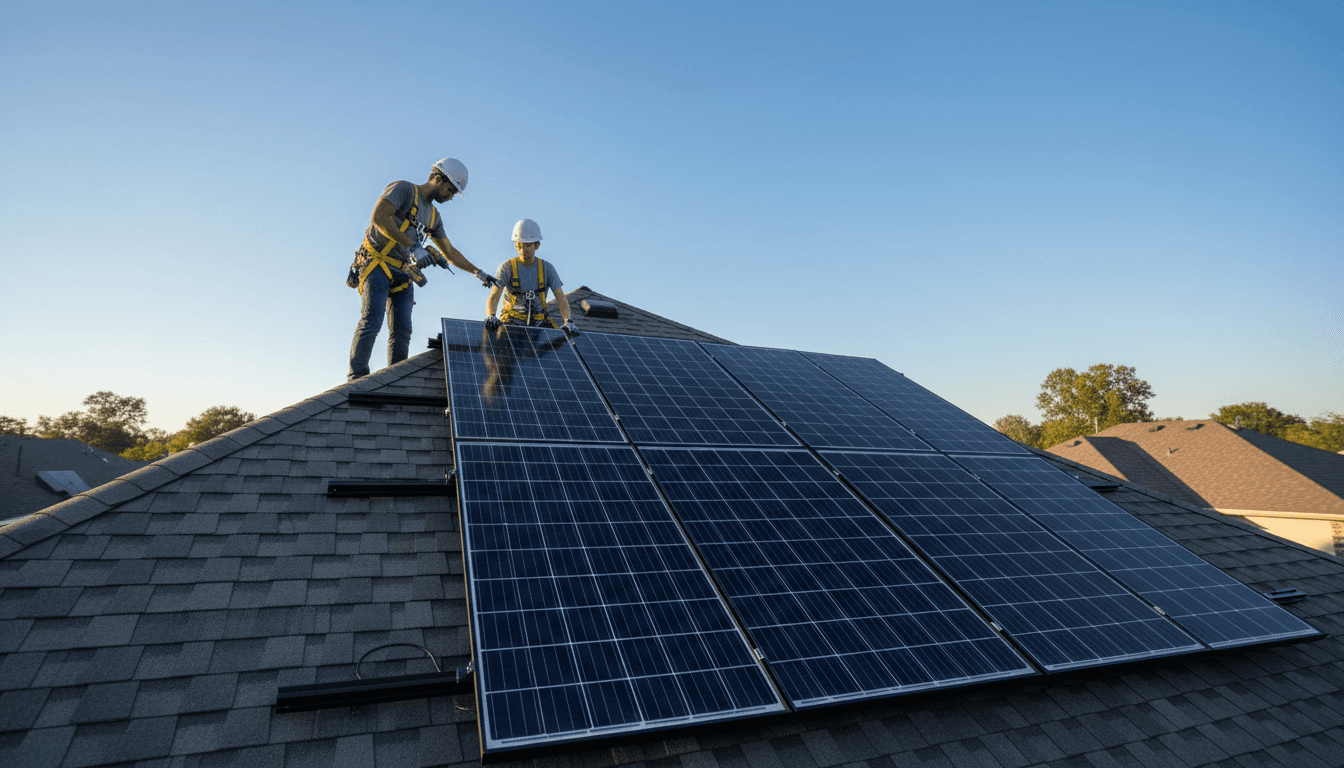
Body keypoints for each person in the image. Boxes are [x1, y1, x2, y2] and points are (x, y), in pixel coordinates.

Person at [347, 157, 498, 380]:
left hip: (403, 272)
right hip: (378, 263)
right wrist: (413, 246)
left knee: (402, 331)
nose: (451, 196)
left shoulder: (434, 217)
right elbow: (379, 217)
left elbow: (450, 251)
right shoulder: (404, 189)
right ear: (437, 178)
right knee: (372, 321)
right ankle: (356, 380)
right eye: (450, 190)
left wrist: (477, 271)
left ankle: (394, 380)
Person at [483, 219, 579, 335]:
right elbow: (494, 296)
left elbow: (560, 297)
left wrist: (568, 320)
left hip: (539, 324)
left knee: (560, 344)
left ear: (537, 245)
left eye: (528, 245)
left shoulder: (547, 268)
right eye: (520, 245)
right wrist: (491, 315)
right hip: (510, 323)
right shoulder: (506, 267)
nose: (523, 250)